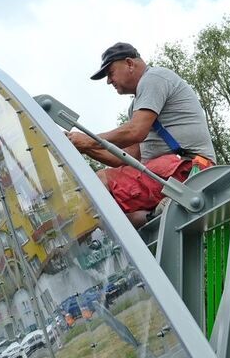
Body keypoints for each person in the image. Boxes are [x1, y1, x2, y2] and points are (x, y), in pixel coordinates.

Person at [70, 42, 215, 226]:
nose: (108, 81)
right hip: (165, 173)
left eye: (110, 73)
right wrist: (84, 147)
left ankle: (60, 244)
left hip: (189, 169)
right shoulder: (135, 106)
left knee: (100, 182)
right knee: (115, 216)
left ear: (130, 63)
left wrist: (89, 140)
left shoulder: (153, 78)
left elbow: (135, 131)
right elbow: (127, 157)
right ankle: (154, 215)